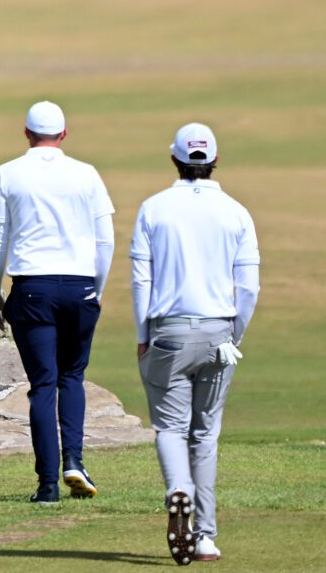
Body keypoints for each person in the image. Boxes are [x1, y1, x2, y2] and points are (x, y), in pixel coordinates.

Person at [131, 123, 260, 565]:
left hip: (167, 332)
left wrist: (142, 336)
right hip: (218, 334)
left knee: (170, 427)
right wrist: (233, 335)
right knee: (205, 434)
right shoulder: (237, 212)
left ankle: (177, 490)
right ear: (215, 162)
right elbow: (249, 288)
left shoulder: (153, 208)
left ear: (174, 160)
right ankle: (205, 536)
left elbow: (141, 280)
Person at [0, 100, 115, 503]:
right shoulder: (86, 174)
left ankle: (46, 486)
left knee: (42, 385)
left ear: (25, 133)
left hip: (32, 289)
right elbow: (105, 240)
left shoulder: (8, 173)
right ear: (64, 134)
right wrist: (97, 289)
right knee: (72, 377)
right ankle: (73, 460)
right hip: (79, 288)